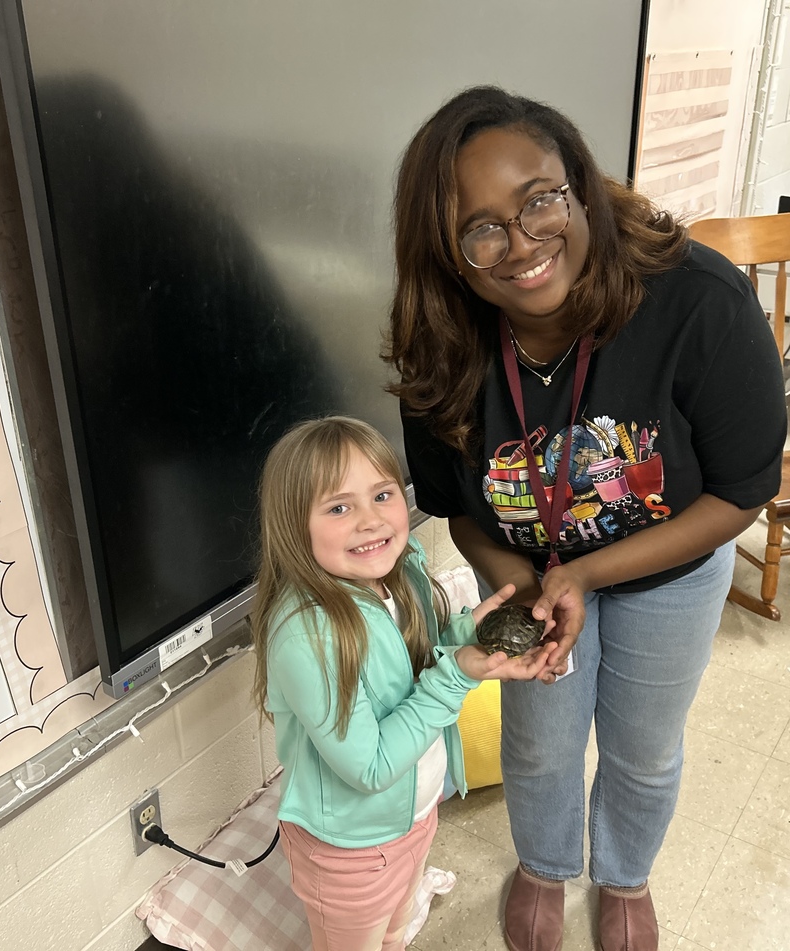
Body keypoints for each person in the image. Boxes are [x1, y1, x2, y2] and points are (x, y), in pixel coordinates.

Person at [385, 85, 787, 951]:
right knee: (538, 742)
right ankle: (544, 864)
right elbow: (458, 510)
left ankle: (624, 874)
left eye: (539, 200)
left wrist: (587, 572)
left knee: (645, 746)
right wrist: (519, 580)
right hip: (528, 576)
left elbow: (742, 490)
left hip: (674, 568)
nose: (523, 244)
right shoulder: (440, 341)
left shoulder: (699, 302)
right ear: (448, 254)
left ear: (578, 182)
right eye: (481, 229)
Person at [251, 415, 557, 951]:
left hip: (416, 817)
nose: (370, 520)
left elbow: (408, 666)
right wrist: (456, 676)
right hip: (351, 853)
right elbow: (370, 767)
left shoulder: (397, 572)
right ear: (293, 526)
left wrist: (466, 635)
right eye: (339, 507)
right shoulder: (307, 636)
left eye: (382, 494)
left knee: (396, 931)